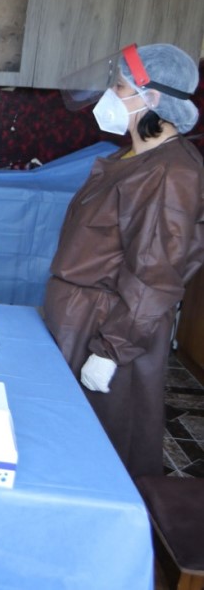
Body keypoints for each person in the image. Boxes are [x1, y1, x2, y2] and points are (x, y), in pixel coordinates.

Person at [44, 43, 204, 478]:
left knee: (102, 451)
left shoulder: (171, 173)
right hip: (82, 318)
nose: (108, 96)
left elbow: (155, 274)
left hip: (108, 327)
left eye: (118, 87)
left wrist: (111, 351)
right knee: (68, 440)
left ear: (151, 98)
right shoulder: (134, 156)